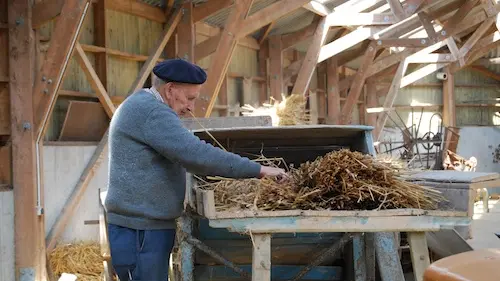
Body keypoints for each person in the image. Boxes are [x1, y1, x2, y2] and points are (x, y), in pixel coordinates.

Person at [104, 58, 287, 281]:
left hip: (141, 228)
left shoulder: (142, 105)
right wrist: (258, 170)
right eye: (189, 98)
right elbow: (197, 155)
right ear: (170, 89)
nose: (191, 107)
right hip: (140, 232)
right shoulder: (152, 112)